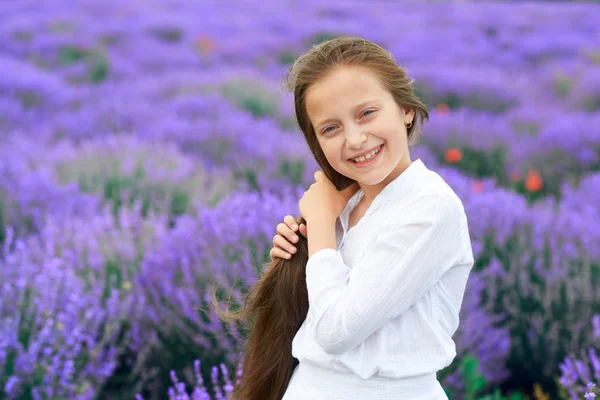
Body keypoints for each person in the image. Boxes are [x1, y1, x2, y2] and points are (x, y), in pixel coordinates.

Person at [212, 36, 474, 400]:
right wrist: (297, 259)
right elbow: (315, 320)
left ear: (406, 109)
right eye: (330, 128)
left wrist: (319, 228)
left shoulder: (430, 207)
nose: (354, 139)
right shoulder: (342, 206)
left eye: (367, 113)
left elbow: (337, 331)